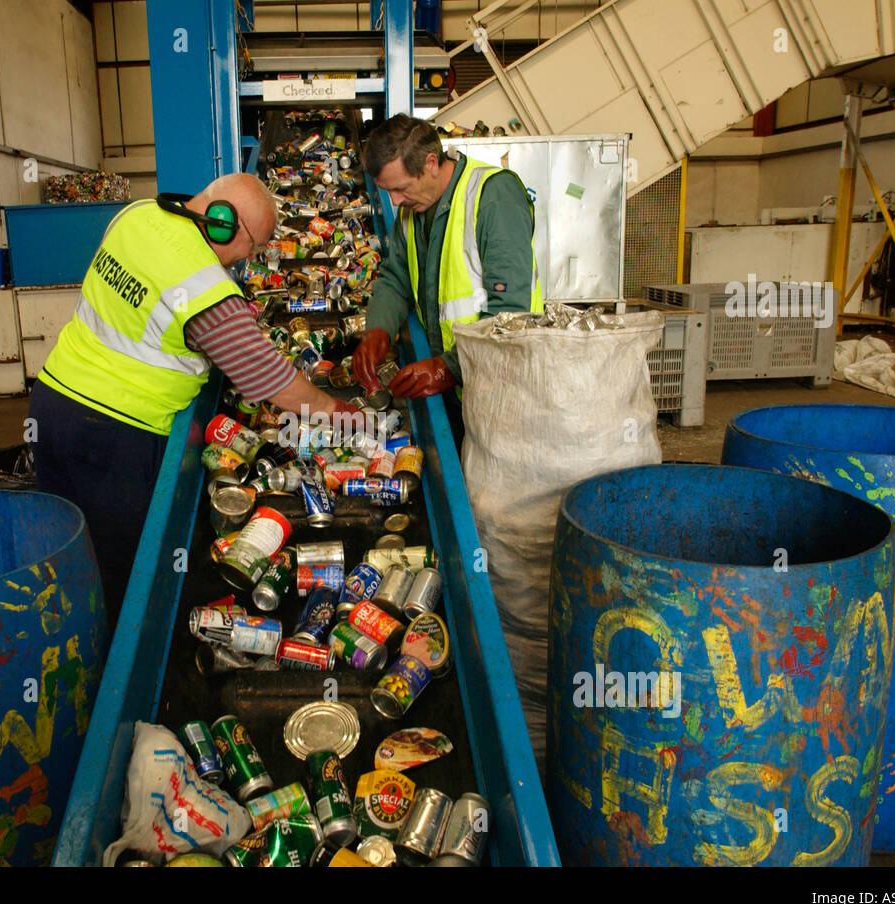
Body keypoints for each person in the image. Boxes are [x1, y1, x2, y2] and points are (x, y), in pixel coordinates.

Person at [29, 172, 355, 625]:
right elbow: (273, 382)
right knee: (126, 578)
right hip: (116, 434)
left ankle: (61, 641)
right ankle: (114, 678)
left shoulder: (136, 215)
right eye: (254, 246)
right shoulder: (205, 288)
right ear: (223, 224)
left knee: (65, 558)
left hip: (50, 404)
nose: (249, 259)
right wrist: (337, 411)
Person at [351, 114, 542, 423]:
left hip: (506, 395)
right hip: (461, 392)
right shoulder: (414, 209)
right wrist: (378, 329)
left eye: (400, 188)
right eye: (388, 191)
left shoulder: (494, 196)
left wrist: (447, 368)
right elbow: (396, 277)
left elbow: (510, 315)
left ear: (430, 163)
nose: (395, 201)